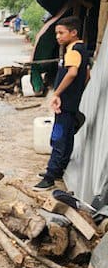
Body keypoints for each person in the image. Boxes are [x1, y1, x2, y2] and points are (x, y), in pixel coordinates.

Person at [33, 16, 90, 191]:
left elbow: (72, 73)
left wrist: (57, 93)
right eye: (56, 33)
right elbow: (87, 75)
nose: (58, 36)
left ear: (73, 32)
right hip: (72, 102)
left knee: (58, 138)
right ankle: (59, 169)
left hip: (64, 103)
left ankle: (50, 177)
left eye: (61, 32)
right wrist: (78, 92)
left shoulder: (73, 51)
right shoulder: (82, 49)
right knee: (67, 137)